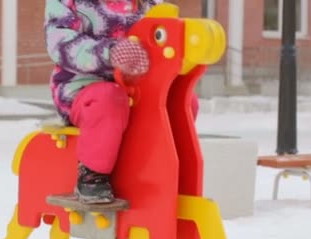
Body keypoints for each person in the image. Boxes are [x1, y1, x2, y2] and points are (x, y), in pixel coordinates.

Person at [44, 0, 199, 203]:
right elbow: (60, 42)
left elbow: (163, 36)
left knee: (183, 102)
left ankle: (153, 166)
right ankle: (92, 175)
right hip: (83, 86)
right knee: (109, 99)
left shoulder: (149, 3)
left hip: (138, 86)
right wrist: (109, 53)